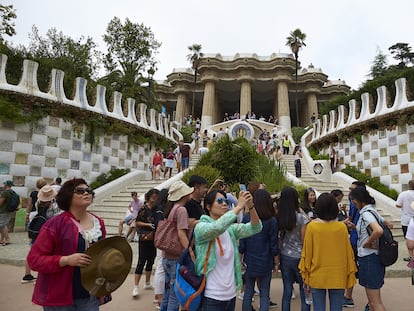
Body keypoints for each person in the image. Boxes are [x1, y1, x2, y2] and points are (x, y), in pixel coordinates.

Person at [27, 178, 106, 310]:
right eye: (80, 191)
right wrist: (66, 260)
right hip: (60, 296)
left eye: (89, 190)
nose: (86, 193)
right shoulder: (55, 224)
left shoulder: (98, 222)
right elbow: (34, 260)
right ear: (68, 196)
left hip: (89, 295)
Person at [194, 190, 262, 311]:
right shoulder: (201, 227)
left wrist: (251, 206)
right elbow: (216, 228)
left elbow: (256, 227)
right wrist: (239, 207)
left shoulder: (230, 230)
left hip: (230, 295)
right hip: (211, 296)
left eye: (225, 201)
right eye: (220, 201)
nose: (224, 204)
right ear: (208, 206)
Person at [299, 193, 357, 311]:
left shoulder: (312, 227)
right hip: (337, 275)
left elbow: (308, 252)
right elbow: (347, 253)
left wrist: (305, 271)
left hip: (317, 274)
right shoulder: (341, 228)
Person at [349, 186, 390, 311]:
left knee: (374, 302)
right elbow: (388, 224)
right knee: (373, 301)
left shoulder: (366, 213)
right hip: (374, 258)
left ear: (359, 199)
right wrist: (357, 228)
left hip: (369, 258)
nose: (352, 203)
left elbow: (378, 230)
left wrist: (368, 242)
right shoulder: (372, 211)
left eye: (353, 200)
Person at [239, 189, 279, 311]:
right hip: (265, 261)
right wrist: (276, 262)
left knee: (248, 291)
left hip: (250, 260)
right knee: (264, 292)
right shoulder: (272, 221)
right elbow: (274, 244)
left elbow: (242, 241)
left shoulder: (247, 219)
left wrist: (240, 259)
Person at [159, 180, 193, 311]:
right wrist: (190, 252)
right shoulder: (182, 210)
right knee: (175, 296)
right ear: (183, 195)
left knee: (167, 293)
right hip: (175, 258)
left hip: (166, 257)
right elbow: (181, 234)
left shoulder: (173, 209)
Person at [276, 187, 310, 311]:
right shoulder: (301, 218)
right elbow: (304, 240)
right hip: (300, 256)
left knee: (287, 291)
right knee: (304, 290)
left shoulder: (280, 217)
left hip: (285, 255)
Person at [22, 184, 57, 284]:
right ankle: (40, 277)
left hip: (35, 233)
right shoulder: (53, 208)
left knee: (32, 253)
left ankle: (27, 275)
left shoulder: (36, 207)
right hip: (46, 235)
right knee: (45, 256)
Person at [343, 180, 367, 308]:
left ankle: (348, 297)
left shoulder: (356, 203)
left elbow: (351, 220)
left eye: (352, 189)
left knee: (352, 267)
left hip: (357, 240)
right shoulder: (365, 205)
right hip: (358, 240)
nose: (349, 191)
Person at [133, 188, 160, 297]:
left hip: (154, 238)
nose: (154, 199)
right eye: (153, 197)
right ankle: (135, 286)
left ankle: (147, 282)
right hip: (144, 238)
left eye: (156, 197)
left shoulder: (158, 209)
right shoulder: (144, 208)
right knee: (141, 261)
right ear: (148, 197)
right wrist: (148, 225)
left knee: (151, 260)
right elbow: (137, 222)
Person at [152, 189, 169, 309]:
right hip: (162, 241)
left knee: (160, 267)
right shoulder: (160, 210)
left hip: (160, 240)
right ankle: (159, 297)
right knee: (160, 267)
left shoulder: (158, 208)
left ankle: (157, 295)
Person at [395, 180, 414, 261]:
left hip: (406, 220)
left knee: (409, 240)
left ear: (408, 185)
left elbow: (398, 205)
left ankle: (412, 259)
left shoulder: (403, 194)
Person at [0, 180, 15, 246]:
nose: (3, 185)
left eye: (4, 184)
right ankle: (2, 239)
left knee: (3, 225)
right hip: (9, 211)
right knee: (4, 225)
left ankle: (7, 239)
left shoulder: (5, 192)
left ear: (7, 185)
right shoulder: (12, 192)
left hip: (3, 211)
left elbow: (1, 202)